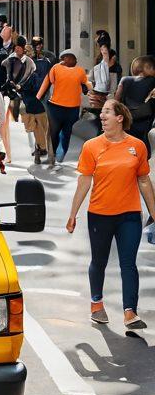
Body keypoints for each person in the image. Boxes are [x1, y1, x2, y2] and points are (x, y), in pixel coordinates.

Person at [66, 100, 155, 330]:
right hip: (100, 214)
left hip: (129, 215)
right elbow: (84, 180)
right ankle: (96, 304)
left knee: (128, 263)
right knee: (99, 261)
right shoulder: (92, 146)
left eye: (107, 112)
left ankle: (130, 313)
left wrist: (154, 214)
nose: (102, 116)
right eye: (102, 113)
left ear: (120, 118)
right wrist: (73, 213)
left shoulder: (137, 146)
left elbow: (144, 180)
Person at [37, 49, 89, 162]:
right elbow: (47, 81)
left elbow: (85, 84)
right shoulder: (57, 68)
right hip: (58, 107)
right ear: (64, 59)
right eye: (70, 58)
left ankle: (59, 154)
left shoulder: (78, 71)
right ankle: (54, 155)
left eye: (74, 59)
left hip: (69, 108)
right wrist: (39, 97)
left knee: (64, 132)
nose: (74, 60)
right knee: (56, 132)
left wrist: (39, 97)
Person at [115, 55, 155, 155]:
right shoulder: (152, 80)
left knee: (130, 143)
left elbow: (117, 98)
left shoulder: (124, 80)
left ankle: (131, 161)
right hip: (145, 119)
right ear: (147, 68)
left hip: (128, 118)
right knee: (144, 143)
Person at [21, 46, 51, 165]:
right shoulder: (42, 64)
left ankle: (41, 148)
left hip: (34, 99)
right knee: (39, 126)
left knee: (38, 126)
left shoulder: (32, 66)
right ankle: (40, 148)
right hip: (36, 99)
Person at [88, 44, 122, 114]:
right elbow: (89, 85)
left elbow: (114, 90)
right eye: (113, 58)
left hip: (108, 103)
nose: (114, 60)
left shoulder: (116, 70)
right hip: (96, 103)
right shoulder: (96, 70)